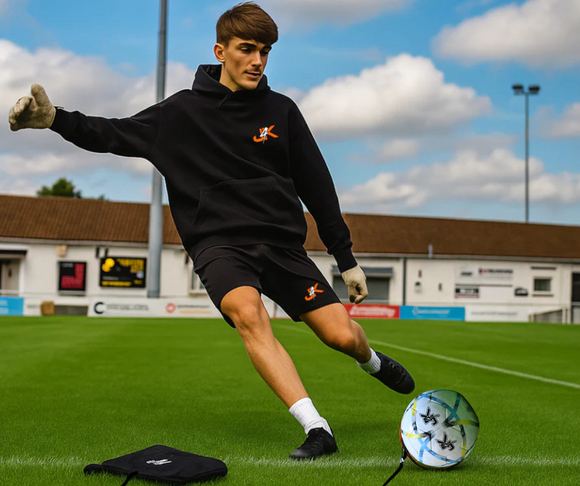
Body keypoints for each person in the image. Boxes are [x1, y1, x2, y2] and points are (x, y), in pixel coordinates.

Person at [8, 2, 414, 460]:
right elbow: (112, 133)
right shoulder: (180, 112)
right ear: (221, 51)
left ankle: (371, 361)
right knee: (249, 314)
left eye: (265, 51)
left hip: (283, 246)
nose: (257, 61)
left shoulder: (281, 111)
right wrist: (55, 119)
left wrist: (346, 259)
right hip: (219, 245)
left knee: (341, 336)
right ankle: (317, 428)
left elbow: (317, 186)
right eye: (247, 49)